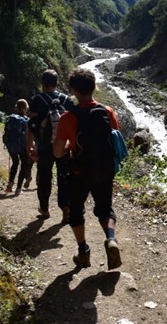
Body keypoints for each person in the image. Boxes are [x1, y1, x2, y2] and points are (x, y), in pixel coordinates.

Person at [53, 68, 122, 270]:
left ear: (73, 90)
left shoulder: (68, 117)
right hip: (104, 169)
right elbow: (115, 139)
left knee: (76, 211)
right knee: (105, 209)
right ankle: (111, 239)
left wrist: (67, 146)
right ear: (94, 87)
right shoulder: (107, 112)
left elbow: (58, 152)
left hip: (78, 172)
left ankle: (83, 251)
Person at [26, 69, 74, 222]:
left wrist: (30, 144)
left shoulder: (36, 100)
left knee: (44, 176)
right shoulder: (67, 100)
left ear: (42, 83)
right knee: (64, 177)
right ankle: (66, 210)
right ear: (57, 82)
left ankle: (44, 208)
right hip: (64, 146)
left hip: (45, 145)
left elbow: (32, 125)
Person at [3, 99, 31, 196]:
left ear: (16, 107)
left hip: (11, 145)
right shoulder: (27, 120)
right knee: (23, 165)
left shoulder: (11, 118)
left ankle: (9, 185)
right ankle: (18, 188)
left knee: (15, 163)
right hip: (22, 146)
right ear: (26, 107)